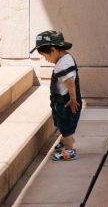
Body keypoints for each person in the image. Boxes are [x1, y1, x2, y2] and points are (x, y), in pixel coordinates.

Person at [30, 30, 81, 161]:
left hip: (66, 101)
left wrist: (73, 99)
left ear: (53, 50)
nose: (46, 59)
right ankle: (66, 141)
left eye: (45, 55)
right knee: (62, 123)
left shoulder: (62, 65)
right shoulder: (65, 58)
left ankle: (69, 151)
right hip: (61, 100)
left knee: (66, 125)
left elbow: (70, 82)